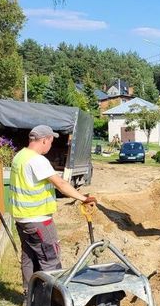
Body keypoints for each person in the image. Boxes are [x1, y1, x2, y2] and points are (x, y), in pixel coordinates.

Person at [10, 125, 97, 293]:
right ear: (44, 140)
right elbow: (62, 185)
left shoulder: (19, 156)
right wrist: (84, 199)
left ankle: (30, 298)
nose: (50, 145)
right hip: (39, 221)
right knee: (50, 260)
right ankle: (53, 301)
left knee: (29, 257)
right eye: (50, 141)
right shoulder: (37, 160)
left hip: (22, 219)